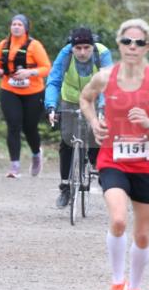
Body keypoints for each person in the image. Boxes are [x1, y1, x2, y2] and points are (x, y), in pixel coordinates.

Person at [79, 19, 149, 290]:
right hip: (112, 159)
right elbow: (85, 99)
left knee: (143, 235)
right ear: (119, 44)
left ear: (147, 46)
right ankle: (116, 285)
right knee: (118, 220)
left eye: (138, 43)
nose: (132, 47)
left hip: (147, 164)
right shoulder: (104, 77)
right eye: (127, 42)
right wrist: (93, 122)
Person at [45, 26, 112, 208]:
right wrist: (51, 106)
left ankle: (96, 165)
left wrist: (103, 110)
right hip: (71, 99)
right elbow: (53, 80)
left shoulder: (103, 54)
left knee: (97, 134)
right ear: (72, 48)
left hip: (95, 98)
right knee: (66, 142)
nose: (82, 52)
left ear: (93, 46)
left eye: (86, 48)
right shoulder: (65, 54)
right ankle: (66, 187)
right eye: (78, 48)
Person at [0, 14, 52, 178]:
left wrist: (29, 72)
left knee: (30, 128)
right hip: (9, 90)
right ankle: (14, 166)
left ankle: (36, 155)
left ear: (25, 28)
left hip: (33, 92)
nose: (16, 27)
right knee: (13, 126)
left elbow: (46, 68)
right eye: (13, 24)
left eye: (19, 24)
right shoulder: (4, 44)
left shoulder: (34, 45)